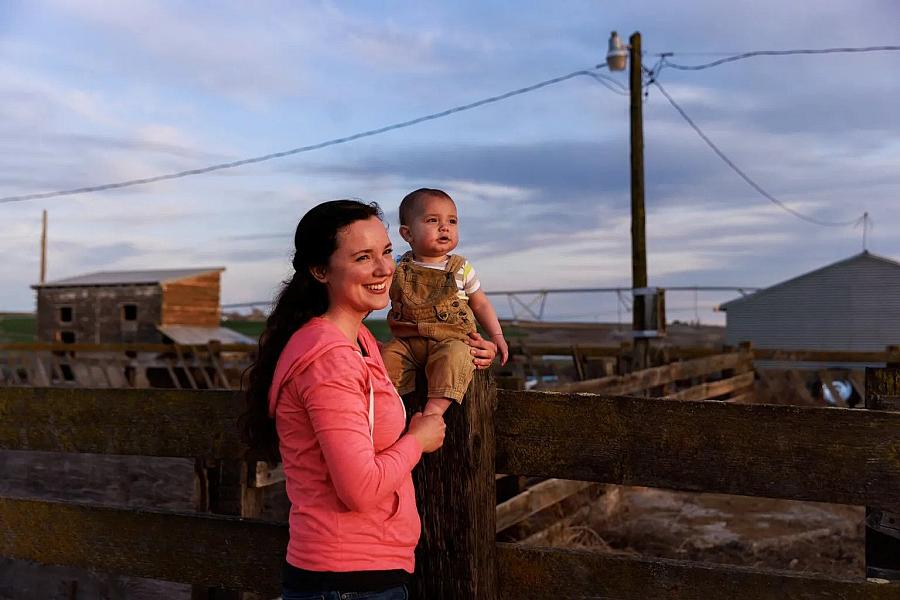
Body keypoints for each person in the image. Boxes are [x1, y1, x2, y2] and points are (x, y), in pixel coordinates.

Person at [239, 199, 497, 600]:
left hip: (361, 572)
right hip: (347, 578)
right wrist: (419, 438)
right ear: (320, 270)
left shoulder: (358, 341)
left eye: (387, 252)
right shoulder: (329, 362)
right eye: (363, 257)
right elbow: (358, 489)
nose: (384, 269)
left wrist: (473, 350)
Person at [382, 188, 509, 418]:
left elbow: (479, 304)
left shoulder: (461, 268)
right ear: (407, 234)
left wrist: (497, 336)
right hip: (407, 342)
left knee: (457, 357)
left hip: (450, 340)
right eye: (432, 220)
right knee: (387, 359)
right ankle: (388, 410)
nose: (445, 227)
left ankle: (433, 414)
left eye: (452, 221)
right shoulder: (397, 268)